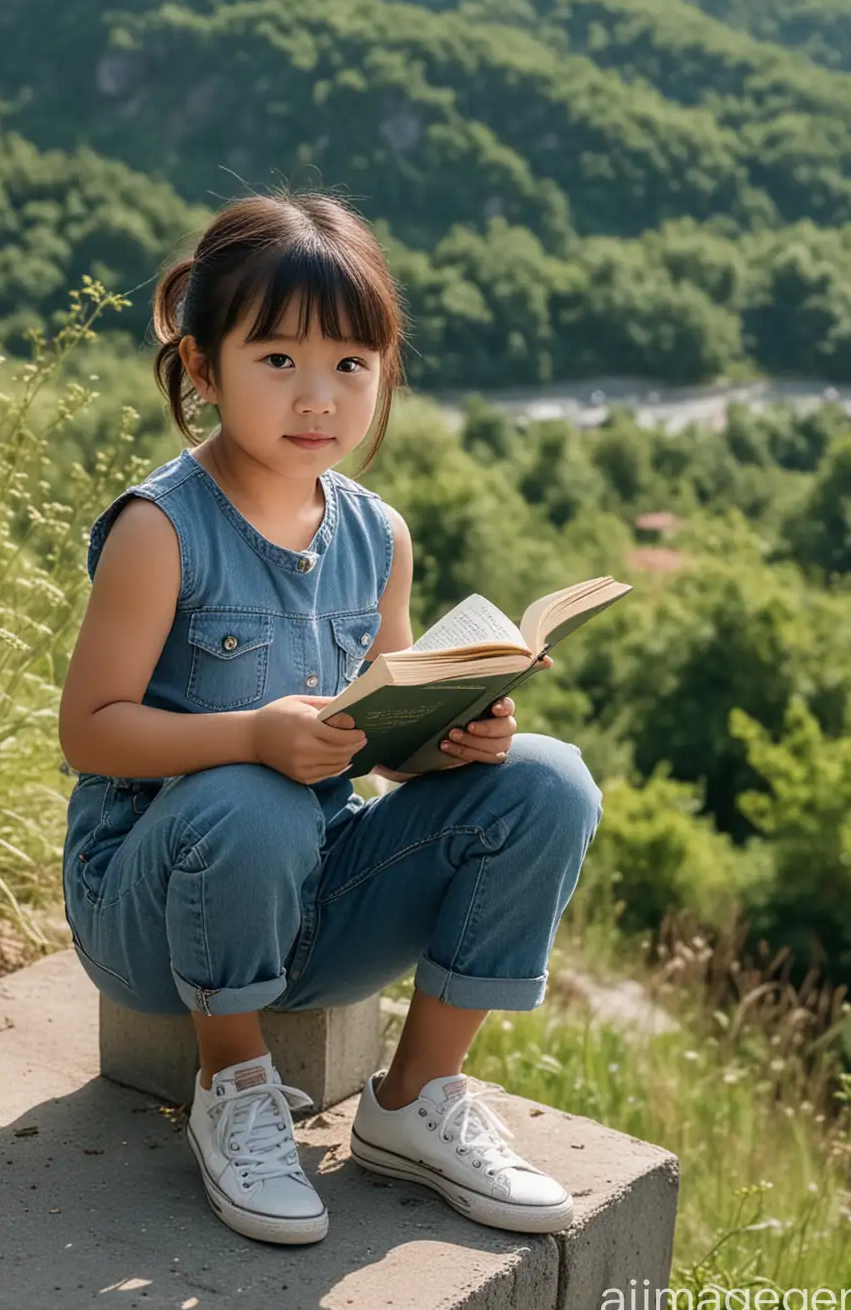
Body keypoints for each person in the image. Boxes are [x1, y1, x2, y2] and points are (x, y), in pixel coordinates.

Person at [57, 191, 605, 1247]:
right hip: (153, 919)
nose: (319, 397)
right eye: (278, 361)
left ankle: (415, 1101)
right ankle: (236, 1089)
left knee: (548, 779)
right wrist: (255, 735)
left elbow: (377, 747)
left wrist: (445, 743)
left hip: (315, 899)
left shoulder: (376, 534)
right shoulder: (161, 529)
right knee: (248, 797)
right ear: (204, 369)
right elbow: (91, 731)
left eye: (351, 364)